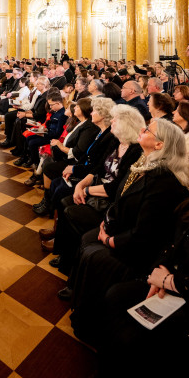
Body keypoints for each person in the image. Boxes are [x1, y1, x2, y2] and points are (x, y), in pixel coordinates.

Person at [62, 143, 189, 378]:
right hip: (173, 285)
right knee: (116, 296)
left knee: (131, 336)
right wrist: (162, 267)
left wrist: (169, 280)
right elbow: (172, 244)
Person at [66, 119, 189, 339]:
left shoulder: (163, 181)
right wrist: (107, 221)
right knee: (87, 240)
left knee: (94, 253)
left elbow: (144, 234)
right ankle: (78, 298)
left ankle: (89, 324)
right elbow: (119, 197)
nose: (142, 129)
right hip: (122, 229)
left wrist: (109, 240)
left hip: (139, 251)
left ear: (159, 145)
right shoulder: (142, 164)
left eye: (148, 130)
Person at [46, 104, 145, 273]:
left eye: (115, 120)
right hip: (98, 187)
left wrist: (85, 191)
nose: (111, 121)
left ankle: (70, 262)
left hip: (110, 200)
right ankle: (65, 254)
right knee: (65, 202)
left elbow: (116, 187)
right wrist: (81, 185)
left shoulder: (135, 150)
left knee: (71, 210)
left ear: (126, 124)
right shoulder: (116, 141)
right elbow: (98, 167)